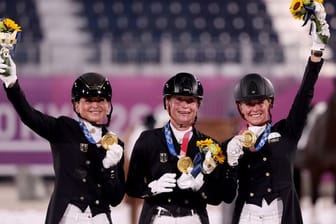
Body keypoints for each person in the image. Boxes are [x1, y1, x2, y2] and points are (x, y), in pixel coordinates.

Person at [222, 11, 330, 224]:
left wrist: (316, 53)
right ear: (240, 108)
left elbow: (305, 94)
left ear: (270, 103)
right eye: (249, 104)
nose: (255, 108)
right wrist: (230, 164)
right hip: (247, 216)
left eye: (260, 102)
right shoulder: (232, 145)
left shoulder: (287, 131)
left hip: (281, 215)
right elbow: (223, 194)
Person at [0, 57, 125, 224]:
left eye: (100, 100)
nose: (95, 105)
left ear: (108, 105)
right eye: (88, 100)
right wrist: (12, 84)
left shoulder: (115, 144)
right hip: (67, 216)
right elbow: (29, 116)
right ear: (76, 106)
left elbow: (115, 199)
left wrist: (110, 169)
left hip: (99, 218)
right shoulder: (63, 129)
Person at [125, 72, 236, 224]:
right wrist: (152, 188)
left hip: (194, 218)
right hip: (157, 218)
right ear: (167, 103)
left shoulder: (211, 146)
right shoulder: (148, 140)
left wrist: (200, 185)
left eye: (190, 101)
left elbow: (218, 198)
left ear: (198, 105)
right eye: (179, 100)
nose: (184, 106)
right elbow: (132, 187)